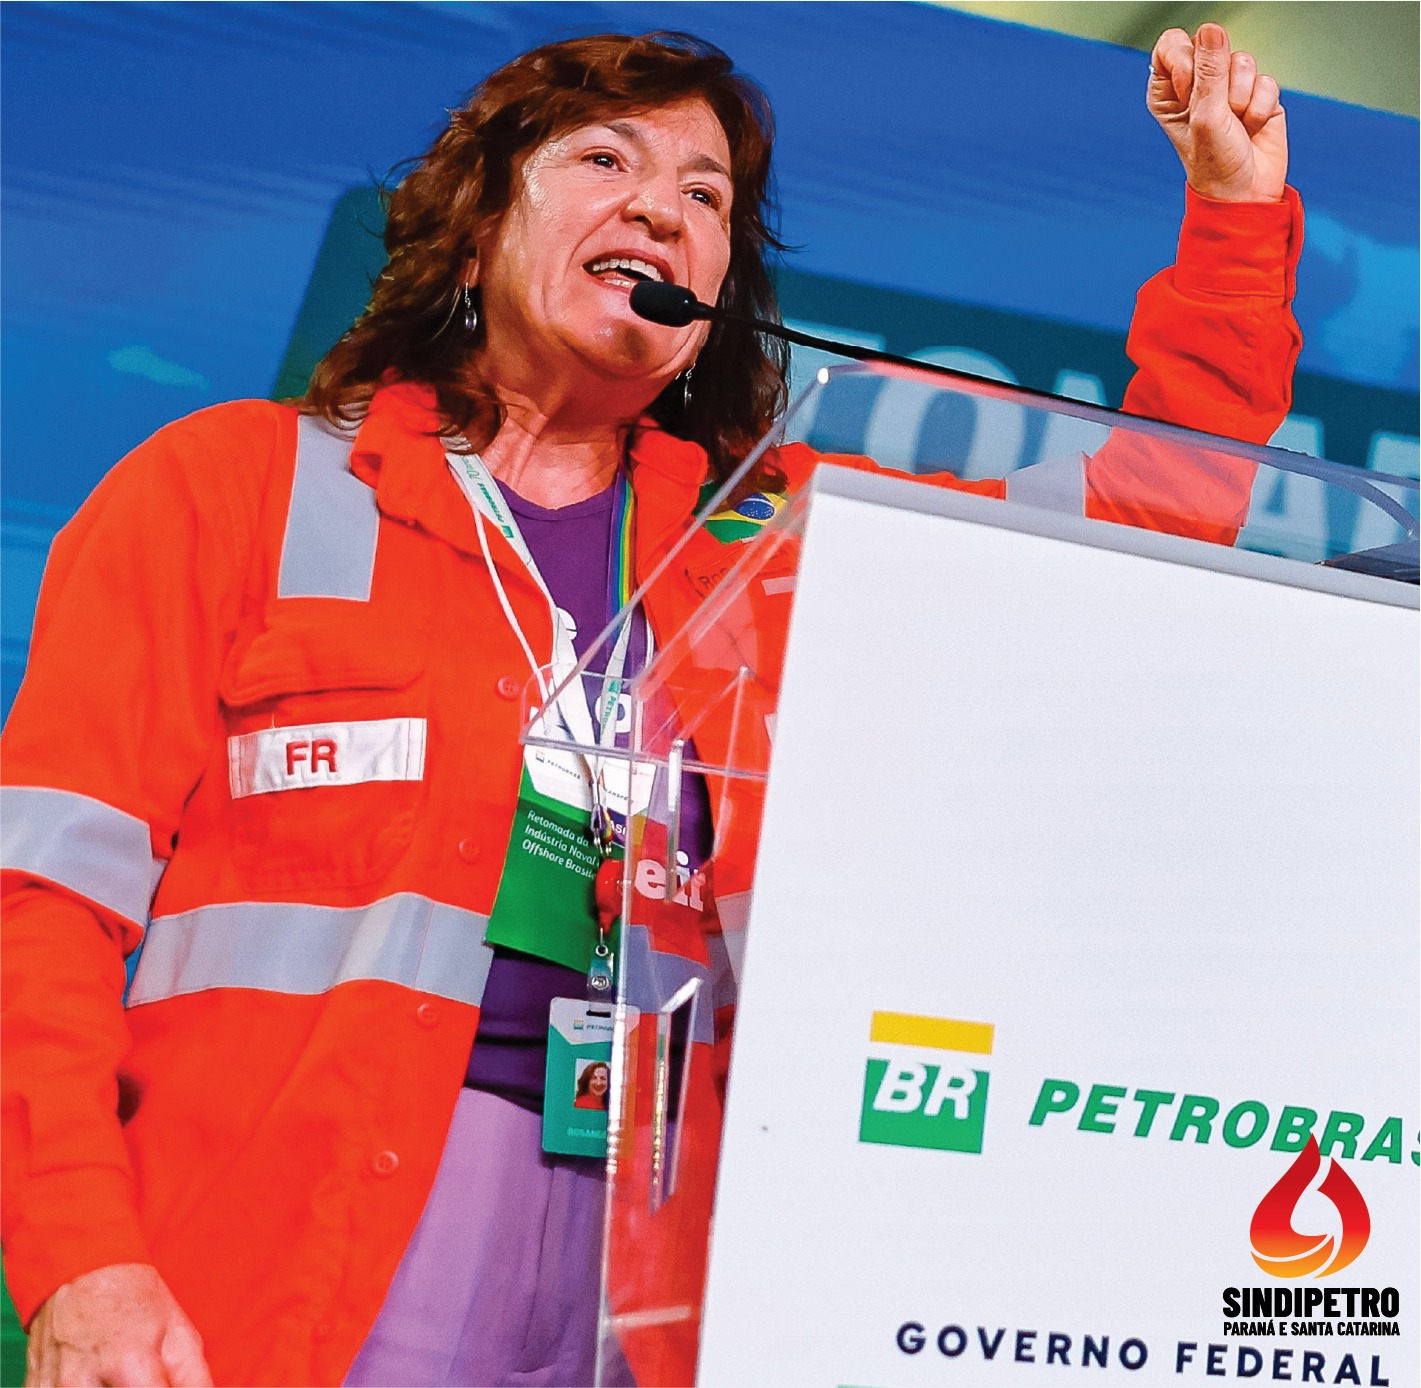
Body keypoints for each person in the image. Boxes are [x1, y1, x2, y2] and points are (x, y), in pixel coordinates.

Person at [0, 23, 1300, 1388]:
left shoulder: (777, 543)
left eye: (705, 194)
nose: (661, 210)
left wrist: (1234, 214)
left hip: (666, 1265)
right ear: (475, 231)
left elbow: (1157, 503)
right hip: (283, 1245)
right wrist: (81, 1251)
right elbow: (40, 905)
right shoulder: (230, 487)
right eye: (605, 161)